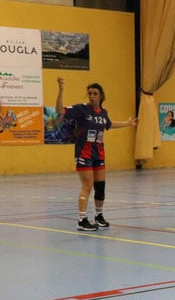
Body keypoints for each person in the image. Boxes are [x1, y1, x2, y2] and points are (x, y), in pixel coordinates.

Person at [56, 77, 138, 231]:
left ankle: (99, 216)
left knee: (100, 187)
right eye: (90, 93)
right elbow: (60, 110)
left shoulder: (103, 113)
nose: (92, 96)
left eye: (95, 93)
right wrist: (61, 90)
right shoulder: (81, 110)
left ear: (101, 96)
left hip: (98, 155)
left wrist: (128, 123)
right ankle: (82, 219)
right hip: (84, 154)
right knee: (87, 185)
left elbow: (109, 124)